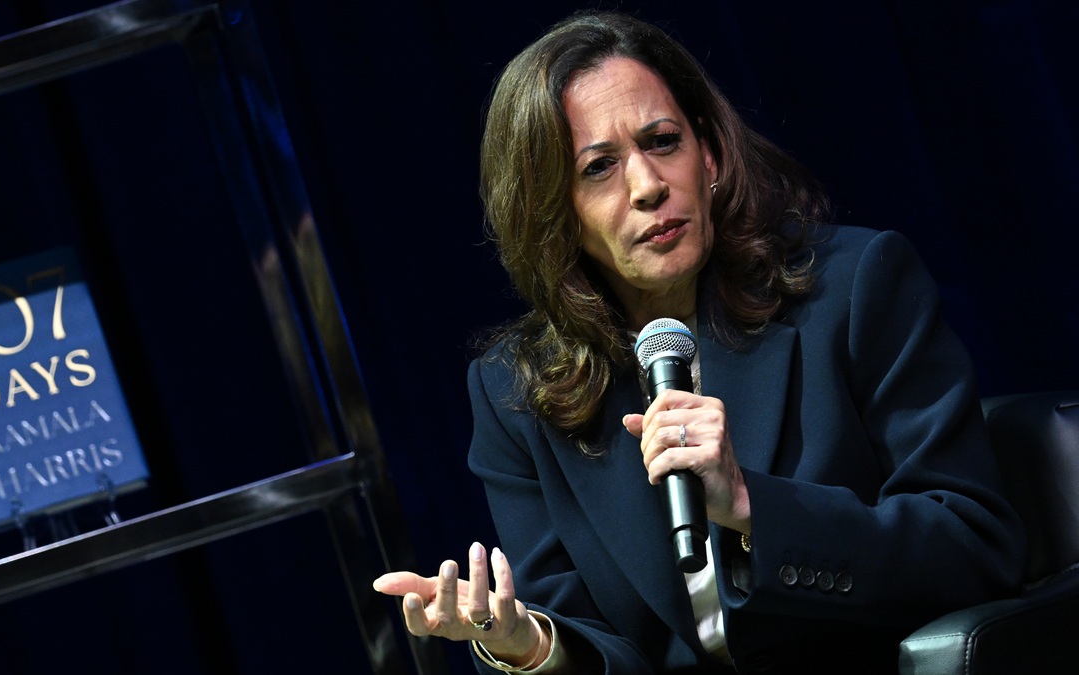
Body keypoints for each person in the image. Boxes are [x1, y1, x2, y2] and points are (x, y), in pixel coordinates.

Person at [373, 11, 1024, 674]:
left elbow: (974, 545)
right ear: (553, 212)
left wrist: (749, 505)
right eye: (599, 167)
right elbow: (596, 638)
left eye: (663, 141)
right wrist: (530, 643)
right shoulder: (516, 392)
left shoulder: (857, 289)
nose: (649, 185)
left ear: (708, 154)